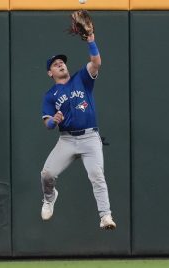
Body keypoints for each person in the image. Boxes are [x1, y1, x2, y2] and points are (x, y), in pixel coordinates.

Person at [40, 32, 116, 230]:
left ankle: (105, 216)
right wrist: (53, 122)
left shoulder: (81, 78)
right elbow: (47, 122)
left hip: (90, 137)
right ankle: (49, 198)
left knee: (96, 175)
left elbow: (96, 62)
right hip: (67, 140)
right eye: (55, 64)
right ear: (50, 73)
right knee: (47, 174)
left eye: (62, 62)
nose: (60, 65)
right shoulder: (50, 95)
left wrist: (90, 38)